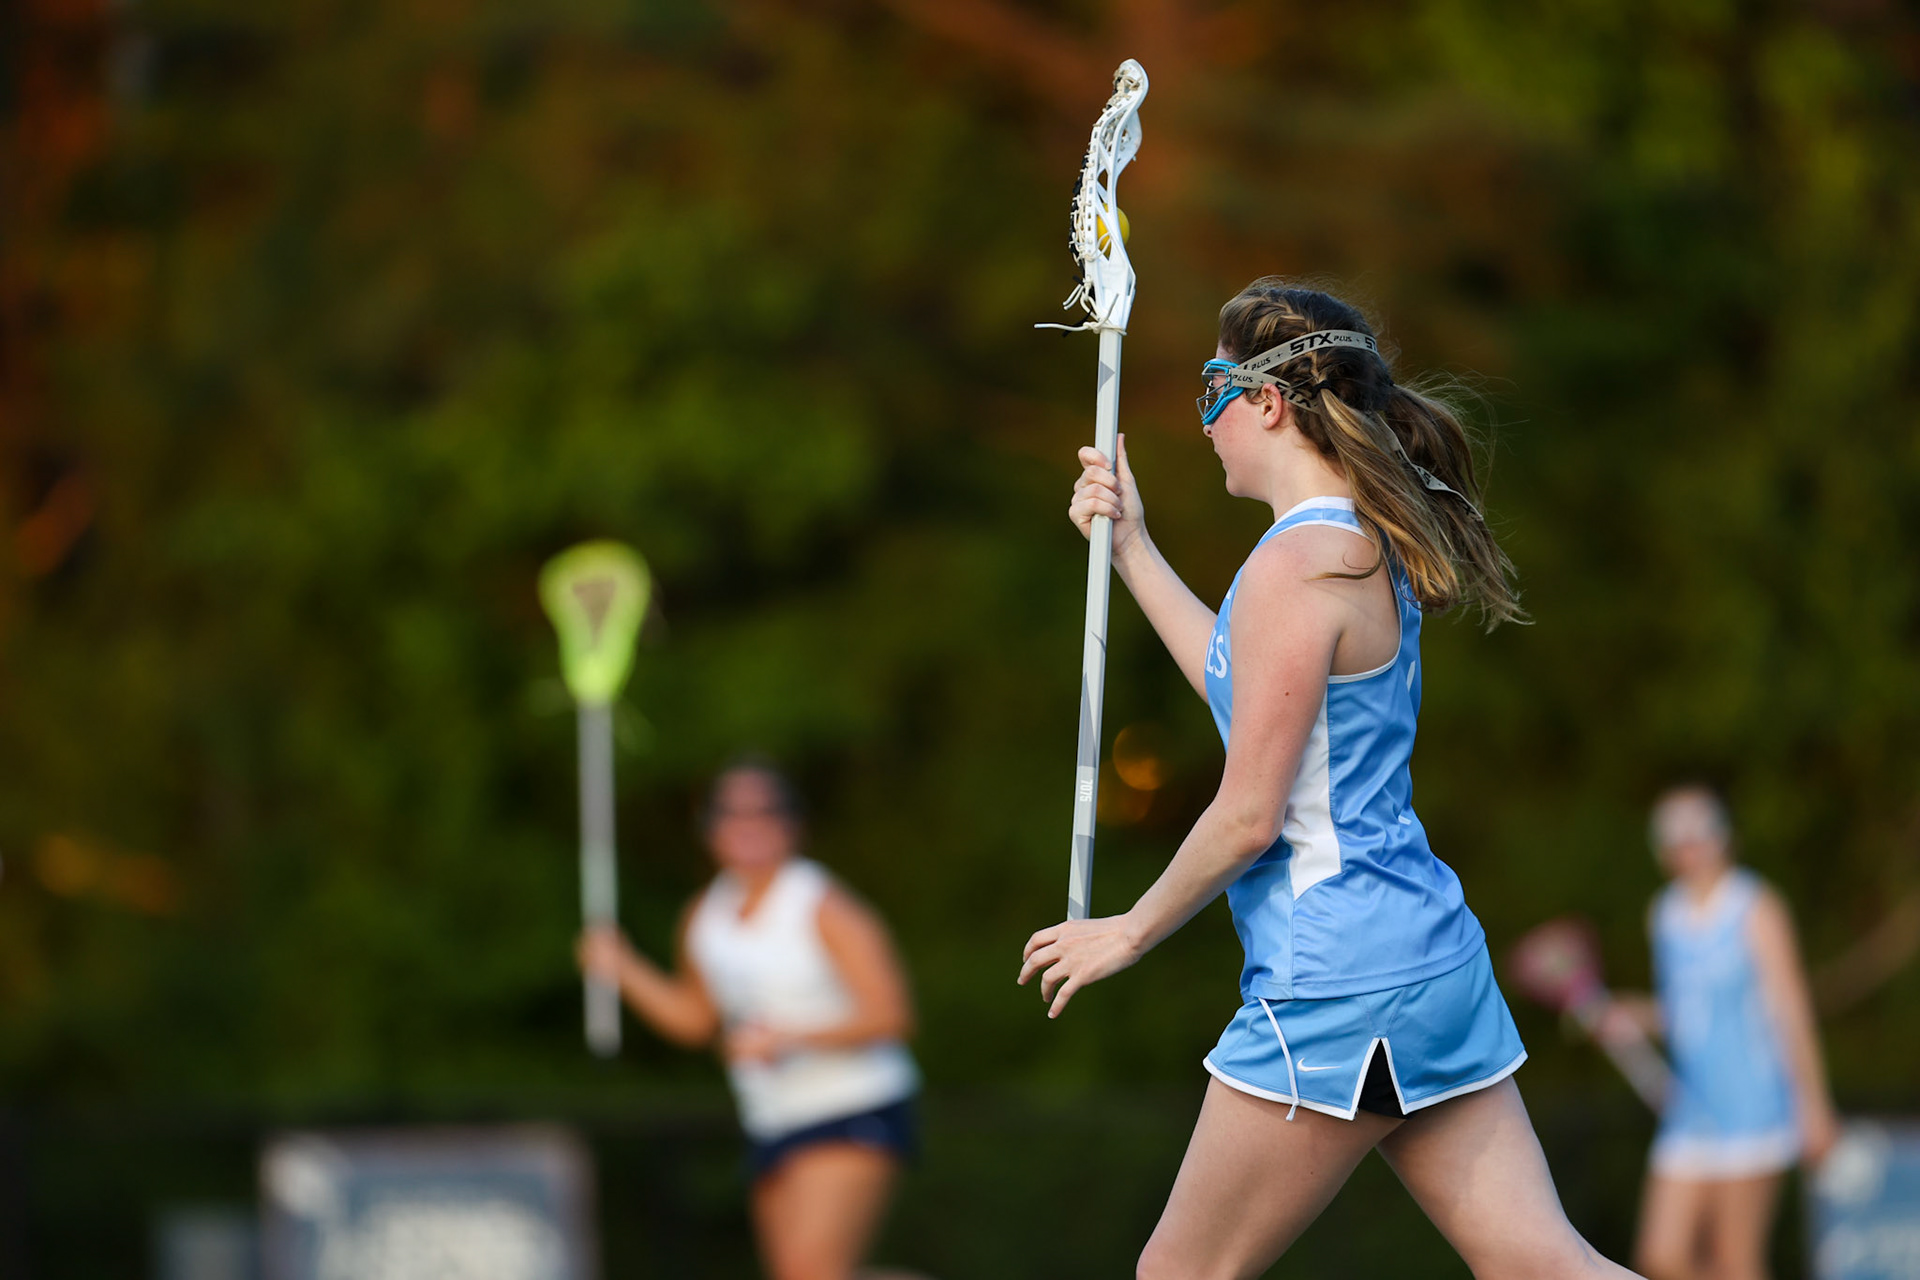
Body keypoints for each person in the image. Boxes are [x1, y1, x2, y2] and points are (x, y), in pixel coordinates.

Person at [1019, 278, 1641, 1278]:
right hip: (1427, 958)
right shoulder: (1356, 546)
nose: (1206, 422)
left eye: (1211, 391)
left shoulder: (1294, 567)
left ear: (1266, 400)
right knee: (1541, 1262)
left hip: (1337, 978)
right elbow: (1243, 688)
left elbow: (1251, 815)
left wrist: (1127, 928)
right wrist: (1132, 547)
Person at [578, 757, 923, 1280]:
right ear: (708, 827)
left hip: (853, 1107)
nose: (748, 823)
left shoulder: (824, 905)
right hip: (772, 1117)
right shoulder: (704, 915)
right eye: (730, 812)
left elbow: (891, 1015)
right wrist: (623, 970)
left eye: (766, 810)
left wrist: (788, 1040)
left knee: (812, 1271)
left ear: (792, 823)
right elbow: (696, 1020)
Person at [1599, 786, 1838, 1280]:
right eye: (1676, 838)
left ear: (1722, 838)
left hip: (1753, 1106)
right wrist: (1633, 1015)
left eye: (1698, 834)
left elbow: (1789, 1011)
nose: (1689, 848)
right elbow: (1687, 1011)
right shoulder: (1664, 913)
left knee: (1738, 1261)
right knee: (1661, 1257)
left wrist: (1814, 1106)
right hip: (1691, 1112)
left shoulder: (1755, 907)